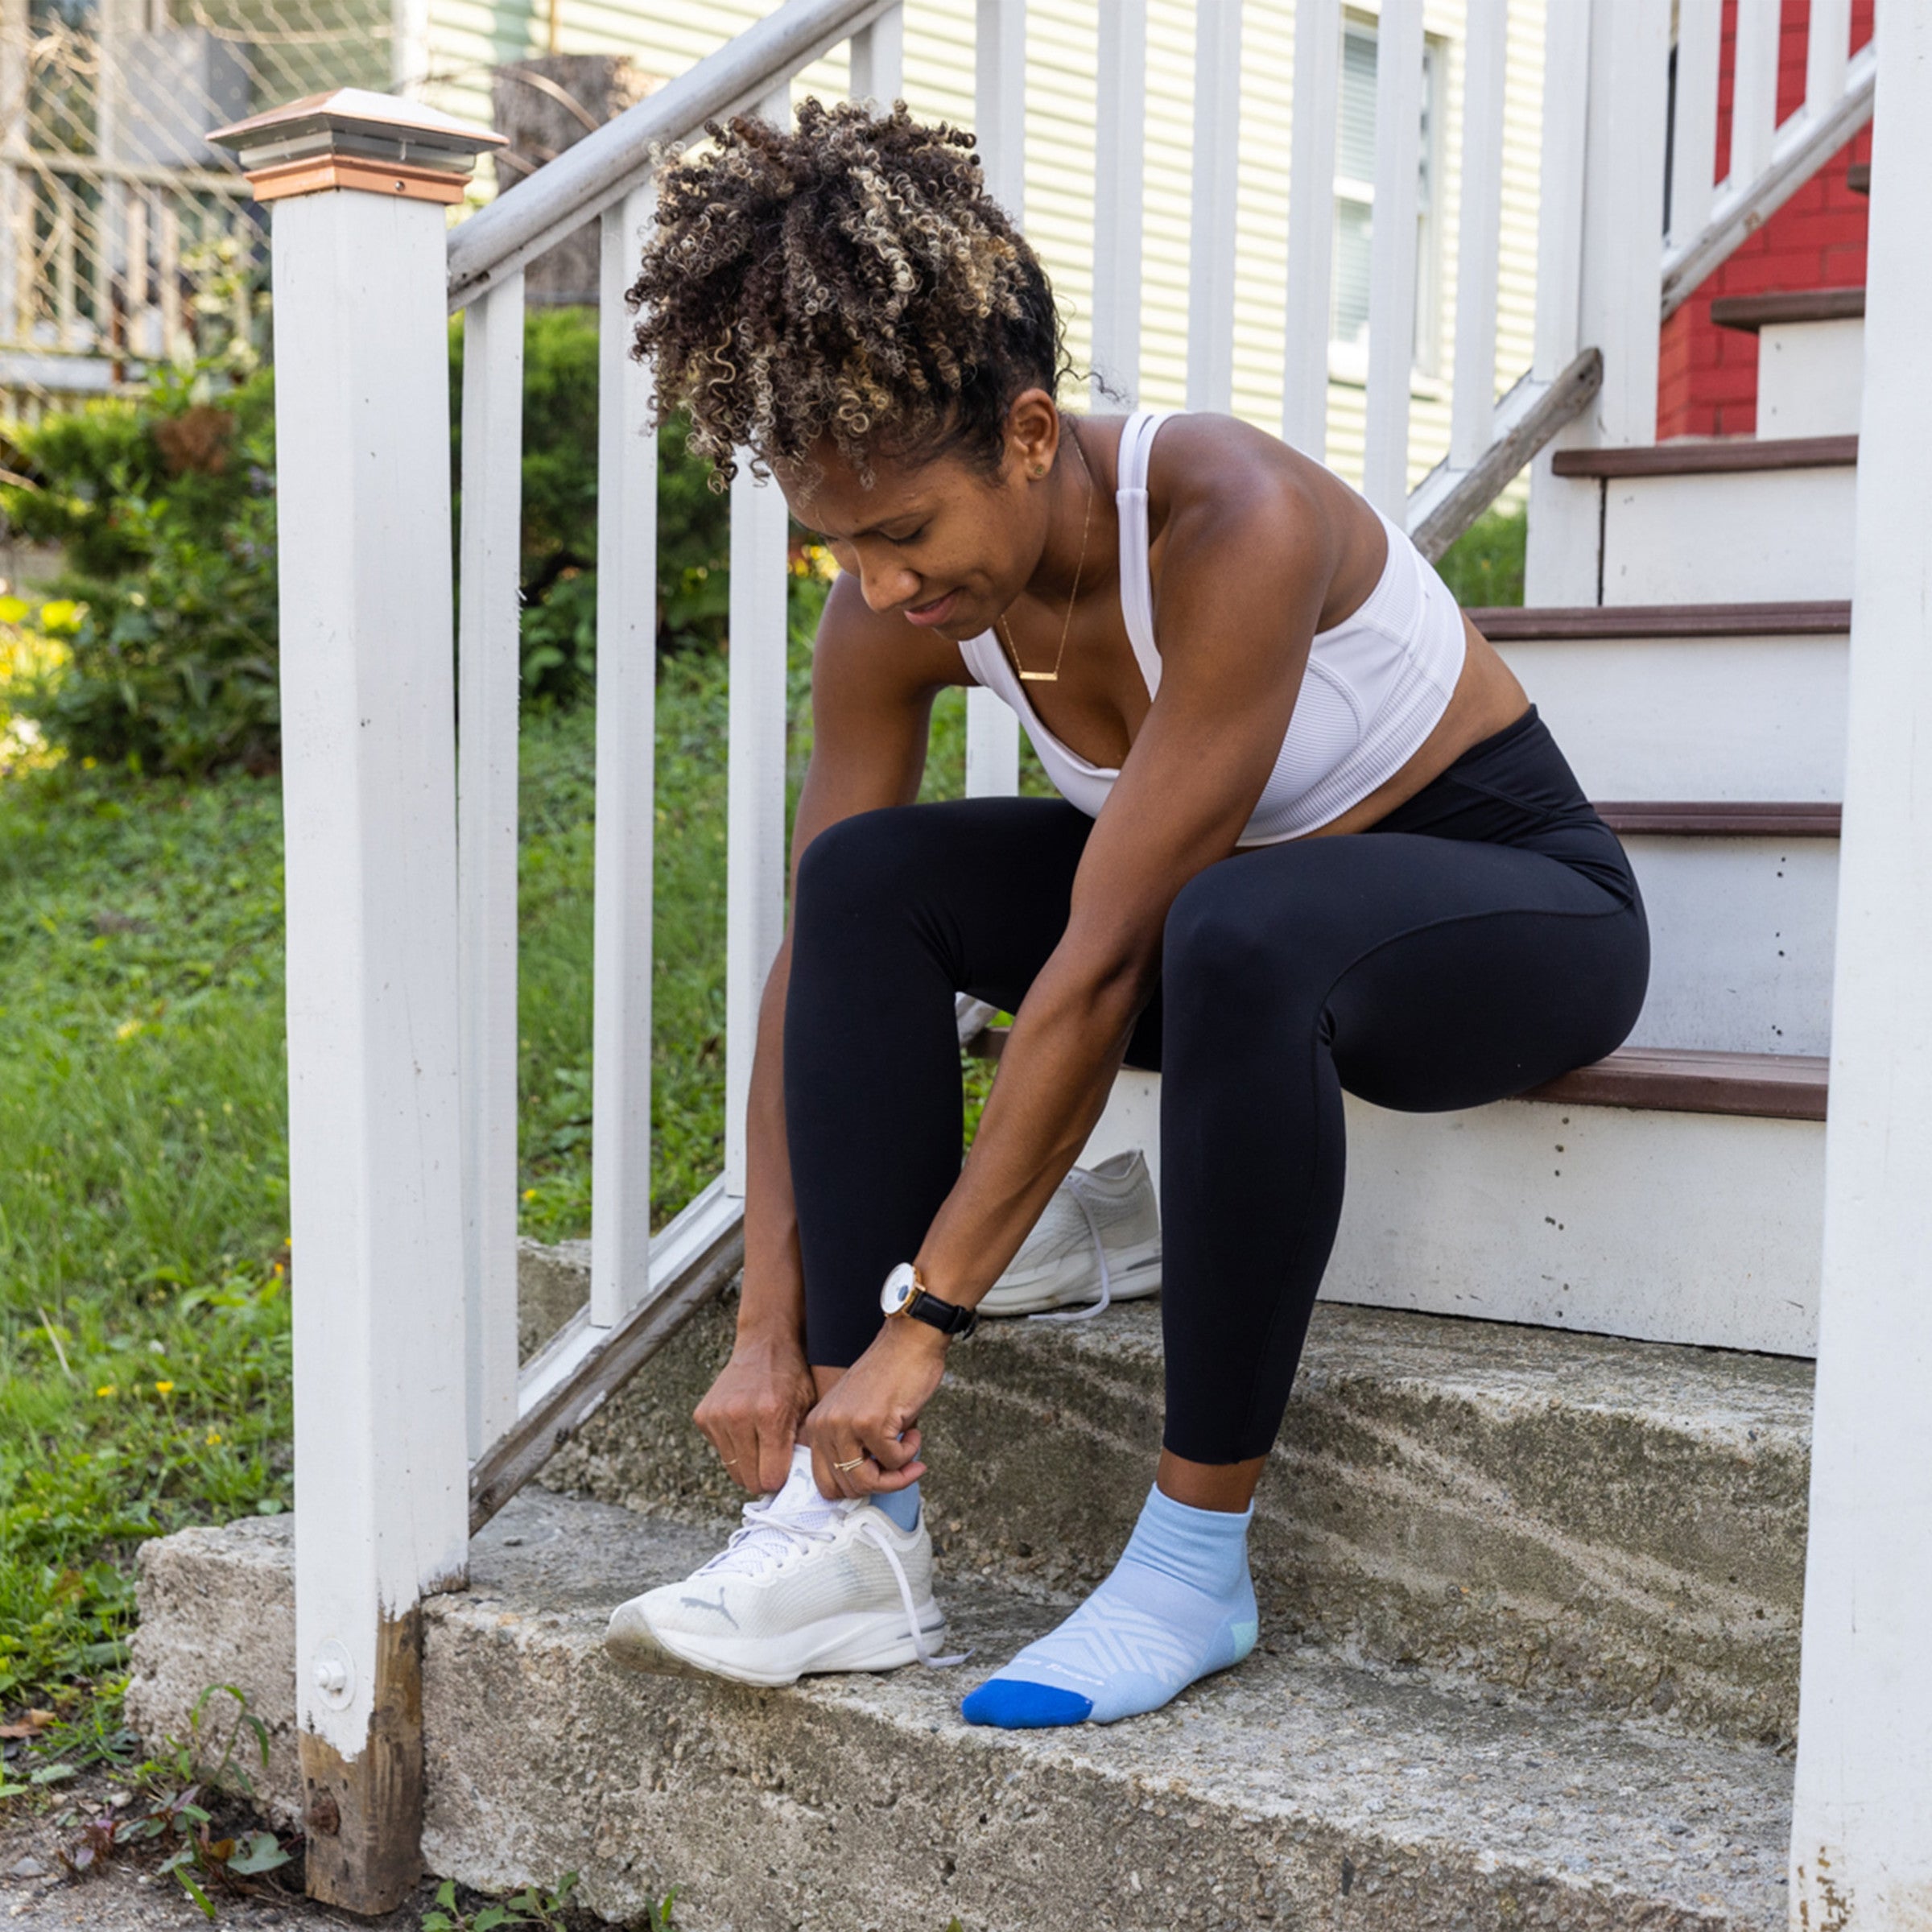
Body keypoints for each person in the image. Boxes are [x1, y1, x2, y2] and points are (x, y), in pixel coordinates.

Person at [603, 101, 1648, 1729]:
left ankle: (1192, 1563)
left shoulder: (1232, 517)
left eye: (904, 533)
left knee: (1235, 924)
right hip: (1229, 943)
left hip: (1513, 920)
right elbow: (818, 965)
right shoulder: (893, 616)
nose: (881, 586)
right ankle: (854, 1532)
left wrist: (926, 1320)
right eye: (839, 547)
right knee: (863, 884)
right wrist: (766, 1322)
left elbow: (1098, 967)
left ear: (1030, 434)